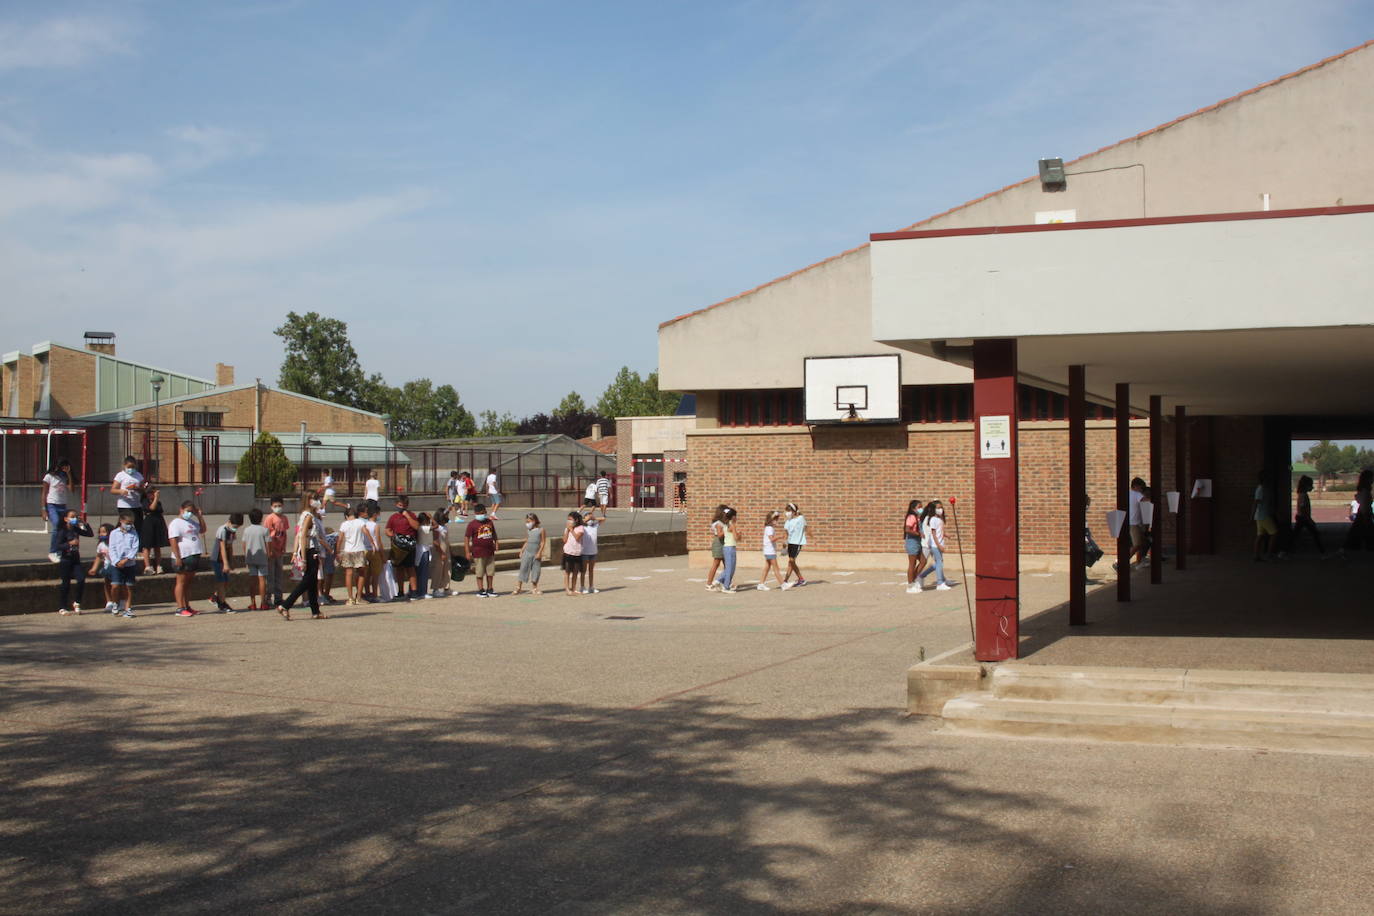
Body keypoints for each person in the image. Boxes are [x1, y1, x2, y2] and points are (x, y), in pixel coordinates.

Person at [278, 491, 326, 620]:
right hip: (310, 551)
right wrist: (303, 558)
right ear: (309, 500)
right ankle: (286, 605)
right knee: (307, 581)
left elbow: (299, 535)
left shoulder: (306, 515)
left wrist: (296, 552)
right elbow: (303, 536)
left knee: (312, 582)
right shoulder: (308, 516)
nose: (318, 501)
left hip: (310, 550)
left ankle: (315, 611)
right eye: (315, 499)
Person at [167, 501, 207, 616]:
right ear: (181, 509)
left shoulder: (191, 522)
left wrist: (199, 516)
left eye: (191, 512)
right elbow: (173, 540)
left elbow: (203, 529)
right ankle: (180, 608)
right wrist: (178, 557)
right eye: (188, 511)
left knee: (188, 583)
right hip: (183, 556)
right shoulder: (176, 523)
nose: (189, 513)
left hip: (193, 554)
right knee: (181, 582)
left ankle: (187, 605)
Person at [55, 508, 93, 615]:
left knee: (81, 579)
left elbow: (90, 534)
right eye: (72, 517)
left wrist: (83, 523)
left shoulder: (76, 529)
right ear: (66, 519)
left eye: (76, 516)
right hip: (65, 559)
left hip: (75, 559)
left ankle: (77, 602)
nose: (74, 518)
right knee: (65, 584)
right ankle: (62, 606)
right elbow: (58, 545)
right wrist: (69, 543)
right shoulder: (62, 531)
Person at [337, 504, 376, 606]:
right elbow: (366, 532)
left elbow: (340, 539)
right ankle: (358, 597)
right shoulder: (359, 522)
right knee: (362, 573)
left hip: (348, 551)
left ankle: (350, 598)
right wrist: (372, 543)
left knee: (349, 574)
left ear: (346, 516)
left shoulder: (344, 524)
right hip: (359, 550)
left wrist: (337, 551)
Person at [386, 495, 421, 601]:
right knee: (399, 569)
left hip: (409, 546)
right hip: (398, 547)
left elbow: (416, 526)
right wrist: (393, 536)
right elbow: (388, 529)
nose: (401, 507)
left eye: (404, 506)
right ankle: (400, 591)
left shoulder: (412, 515)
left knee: (410, 568)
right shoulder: (393, 517)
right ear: (396, 505)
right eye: (400, 505)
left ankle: (414, 591)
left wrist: (407, 516)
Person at [108, 510, 142, 617]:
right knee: (115, 586)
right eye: (127, 523)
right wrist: (117, 561)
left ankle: (128, 608)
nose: (129, 525)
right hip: (116, 564)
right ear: (121, 521)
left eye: (131, 523)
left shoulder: (134, 533)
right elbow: (112, 548)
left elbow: (135, 547)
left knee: (128, 587)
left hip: (129, 564)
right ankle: (115, 603)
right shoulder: (114, 533)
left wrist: (127, 559)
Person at [41, 456, 73, 562]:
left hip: (62, 505)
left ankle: (60, 551)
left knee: (63, 528)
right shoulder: (49, 476)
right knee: (56, 526)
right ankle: (52, 551)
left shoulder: (65, 477)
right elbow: (44, 493)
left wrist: (68, 474)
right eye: (62, 467)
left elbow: (71, 489)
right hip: (52, 505)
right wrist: (43, 509)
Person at [465, 503, 500, 597]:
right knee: (480, 572)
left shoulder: (489, 522)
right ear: (476, 513)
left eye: (484, 513)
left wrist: (496, 543)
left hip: (489, 551)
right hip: (478, 552)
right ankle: (481, 589)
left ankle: (490, 588)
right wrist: (467, 552)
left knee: (490, 572)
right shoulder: (472, 525)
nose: (483, 515)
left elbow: (494, 534)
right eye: (481, 513)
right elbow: (467, 538)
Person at [917, 501, 954, 591]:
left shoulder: (939, 519)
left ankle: (922, 575)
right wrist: (938, 545)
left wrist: (946, 535)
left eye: (941, 507)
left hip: (937, 544)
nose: (940, 509)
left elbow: (938, 531)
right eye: (938, 508)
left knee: (938, 564)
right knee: (937, 563)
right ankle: (939, 582)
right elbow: (933, 534)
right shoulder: (931, 519)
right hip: (932, 545)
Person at [209, 513, 242, 612]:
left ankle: (215, 597)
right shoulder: (222, 530)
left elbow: (230, 547)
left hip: (225, 559)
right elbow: (222, 548)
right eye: (235, 526)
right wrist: (226, 563)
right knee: (221, 582)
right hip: (218, 559)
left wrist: (231, 561)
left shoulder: (232, 532)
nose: (235, 529)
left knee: (225, 581)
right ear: (229, 522)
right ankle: (222, 603)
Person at [240, 508, 271, 610]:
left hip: (251, 557)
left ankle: (253, 603)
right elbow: (268, 544)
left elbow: (244, 545)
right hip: (262, 557)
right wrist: (268, 555)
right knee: (262, 580)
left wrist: (246, 555)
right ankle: (263, 603)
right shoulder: (264, 530)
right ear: (261, 518)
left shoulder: (247, 530)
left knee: (252, 580)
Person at [1340, 469, 1374, 556]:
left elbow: (1359, 499)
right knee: (1367, 531)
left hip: (1363, 512)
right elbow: (1364, 502)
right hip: (1365, 512)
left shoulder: (1363, 489)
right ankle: (1365, 546)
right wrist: (1366, 513)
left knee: (1357, 531)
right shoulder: (1365, 490)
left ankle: (1353, 546)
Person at [265, 495, 291, 608]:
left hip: (280, 550)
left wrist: (284, 547)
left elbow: (284, 534)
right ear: (271, 507)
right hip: (271, 551)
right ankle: (268, 597)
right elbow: (267, 535)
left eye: (279, 506)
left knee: (279, 575)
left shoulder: (284, 518)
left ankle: (278, 597)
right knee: (270, 575)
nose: (278, 508)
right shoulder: (270, 518)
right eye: (275, 506)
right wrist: (269, 550)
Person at [112, 455, 146, 538]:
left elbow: (143, 490)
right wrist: (121, 491)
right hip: (124, 504)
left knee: (139, 525)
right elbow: (113, 489)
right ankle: (116, 539)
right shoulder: (120, 475)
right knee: (124, 523)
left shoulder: (138, 475)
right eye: (129, 467)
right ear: (124, 465)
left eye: (133, 467)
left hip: (136, 504)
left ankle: (139, 545)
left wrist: (137, 488)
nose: (131, 469)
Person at [1291, 475, 1325, 555]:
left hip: (1301, 517)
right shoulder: (1303, 495)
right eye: (1310, 485)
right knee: (1315, 534)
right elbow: (1302, 507)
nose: (1312, 487)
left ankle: (1284, 551)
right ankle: (1322, 552)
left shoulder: (1302, 494)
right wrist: (1308, 519)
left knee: (1295, 535)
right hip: (1303, 518)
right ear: (1306, 485)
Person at [1252, 471, 1282, 561]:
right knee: (1274, 533)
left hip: (1260, 515)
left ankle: (1256, 555)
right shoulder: (1261, 489)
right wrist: (1251, 515)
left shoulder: (1263, 488)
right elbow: (1256, 503)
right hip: (1263, 515)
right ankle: (1269, 554)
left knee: (1260, 536)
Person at [139, 486, 169, 574]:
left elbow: (159, 510)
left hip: (158, 522)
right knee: (147, 545)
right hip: (149, 523)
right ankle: (147, 566)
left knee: (157, 546)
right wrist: (155, 498)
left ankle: (159, 565)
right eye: (151, 493)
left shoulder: (158, 502)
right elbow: (151, 508)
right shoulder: (145, 501)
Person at [514, 513, 546, 595]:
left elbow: (543, 542)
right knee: (523, 569)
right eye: (526, 522)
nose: (527, 523)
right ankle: (518, 587)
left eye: (529, 521)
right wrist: (522, 551)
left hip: (536, 553)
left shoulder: (541, 530)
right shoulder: (528, 530)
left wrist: (540, 552)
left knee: (536, 570)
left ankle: (534, 588)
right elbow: (527, 541)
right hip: (527, 552)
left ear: (534, 521)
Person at [756, 509, 787, 590]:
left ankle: (761, 584)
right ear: (771, 520)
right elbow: (771, 539)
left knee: (767, 567)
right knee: (776, 568)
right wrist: (780, 536)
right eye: (775, 519)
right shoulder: (769, 528)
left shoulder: (769, 528)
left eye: (777, 519)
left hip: (768, 550)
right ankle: (783, 584)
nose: (777, 521)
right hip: (769, 551)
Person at [90, 524, 116, 613]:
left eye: (104, 532)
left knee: (117, 585)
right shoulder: (101, 545)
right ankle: (109, 602)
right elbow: (99, 557)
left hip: (116, 566)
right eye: (100, 532)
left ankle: (119, 601)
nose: (101, 534)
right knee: (107, 583)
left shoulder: (115, 543)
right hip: (107, 566)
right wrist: (94, 568)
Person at [713, 507, 739, 593]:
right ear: (733, 517)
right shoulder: (732, 525)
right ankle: (725, 586)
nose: (736, 517)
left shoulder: (725, 524)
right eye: (736, 516)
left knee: (729, 567)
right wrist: (740, 535)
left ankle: (719, 581)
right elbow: (736, 537)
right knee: (730, 568)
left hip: (726, 547)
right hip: (730, 548)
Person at [782, 502, 808, 587]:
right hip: (790, 543)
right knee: (790, 562)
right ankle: (785, 581)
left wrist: (813, 537)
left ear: (793, 511)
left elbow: (806, 528)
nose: (787, 513)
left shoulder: (801, 518)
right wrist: (784, 542)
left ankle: (801, 579)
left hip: (797, 543)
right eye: (786, 511)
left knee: (791, 561)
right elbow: (786, 534)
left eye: (789, 511)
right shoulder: (787, 522)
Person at [362, 503, 384, 602]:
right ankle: (375, 594)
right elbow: (378, 540)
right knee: (375, 575)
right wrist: (382, 555)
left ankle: (367, 592)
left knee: (366, 574)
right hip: (374, 551)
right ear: (375, 514)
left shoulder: (364, 524)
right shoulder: (376, 525)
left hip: (365, 550)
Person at [904, 499, 926, 593]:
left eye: (921, 507)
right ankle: (910, 585)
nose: (921, 509)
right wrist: (918, 534)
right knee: (912, 564)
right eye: (919, 507)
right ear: (913, 508)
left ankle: (914, 579)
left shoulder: (917, 517)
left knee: (923, 561)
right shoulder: (911, 517)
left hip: (917, 542)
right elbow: (907, 529)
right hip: (912, 542)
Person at [562, 511, 586, 596]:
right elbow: (564, 540)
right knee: (567, 571)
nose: (569, 521)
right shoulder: (567, 528)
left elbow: (577, 538)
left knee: (575, 571)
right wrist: (567, 531)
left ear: (576, 520)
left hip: (577, 552)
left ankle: (574, 588)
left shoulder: (580, 528)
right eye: (568, 519)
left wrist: (571, 529)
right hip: (568, 552)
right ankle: (567, 589)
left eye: (570, 519)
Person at [705, 505, 727, 591]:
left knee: (727, 565)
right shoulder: (718, 523)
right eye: (725, 512)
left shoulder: (722, 522)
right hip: (719, 543)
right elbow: (719, 535)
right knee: (716, 563)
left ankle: (726, 582)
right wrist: (728, 530)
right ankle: (709, 583)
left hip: (723, 543)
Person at [431, 508, 452, 598]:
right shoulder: (437, 528)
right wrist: (441, 553)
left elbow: (446, 540)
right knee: (438, 569)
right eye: (446, 515)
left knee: (447, 568)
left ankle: (446, 588)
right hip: (439, 550)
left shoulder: (445, 527)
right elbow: (435, 541)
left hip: (446, 549)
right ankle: (435, 589)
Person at [415, 511, 435, 599]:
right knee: (423, 573)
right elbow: (436, 526)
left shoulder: (419, 527)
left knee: (418, 572)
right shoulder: (423, 528)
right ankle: (423, 592)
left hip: (419, 550)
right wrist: (431, 518)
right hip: (423, 551)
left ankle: (418, 591)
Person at [580, 513, 600, 594]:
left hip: (593, 551)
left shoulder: (595, 525)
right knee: (583, 570)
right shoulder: (583, 526)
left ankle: (591, 587)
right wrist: (587, 519)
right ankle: (582, 587)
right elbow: (578, 522)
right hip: (584, 552)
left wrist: (593, 518)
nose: (590, 518)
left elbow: (603, 519)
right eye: (587, 515)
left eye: (590, 516)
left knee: (591, 570)